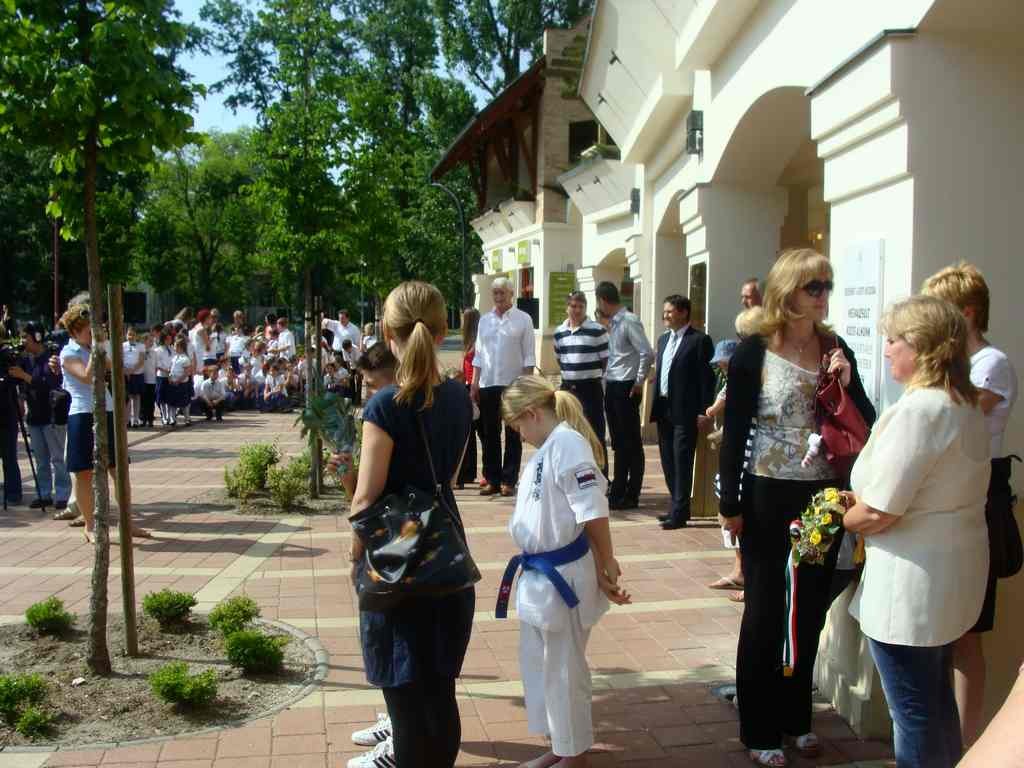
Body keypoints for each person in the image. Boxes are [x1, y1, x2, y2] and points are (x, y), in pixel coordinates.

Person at [718, 249, 874, 767]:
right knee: (765, 609)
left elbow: (865, 419)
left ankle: (795, 717)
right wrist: (729, 502)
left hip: (821, 494)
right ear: (788, 291)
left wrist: (847, 380)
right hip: (766, 491)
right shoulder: (754, 352)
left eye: (827, 285)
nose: (824, 295)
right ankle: (759, 726)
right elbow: (735, 430)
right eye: (815, 286)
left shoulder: (833, 345)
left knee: (807, 606)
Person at [843, 295, 989, 768]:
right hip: (947, 578)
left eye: (893, 341)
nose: (885, 351)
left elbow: (881, 511)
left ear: (921, 347)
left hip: (912, 587)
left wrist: (844, 517)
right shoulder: (962, 403)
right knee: (935, 708)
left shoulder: (922, 409)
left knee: (915, 715)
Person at [344, 281, 473, 768]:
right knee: (441, 695)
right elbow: (451, 477)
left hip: (396, 564)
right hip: (446, 558)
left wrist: (356, 558)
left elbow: (365, 499)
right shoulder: (460, 397)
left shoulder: (383, 406)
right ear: (443, 331)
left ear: (385, 330)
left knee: (404, 699)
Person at [498, 376, 631, 767]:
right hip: (542, 576)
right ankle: (560, 746)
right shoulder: (548, 448)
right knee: (542, 667)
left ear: (533, 414)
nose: (520, 435)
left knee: (565, 669)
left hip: (564, 576)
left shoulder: (568, 445)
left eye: (518, 426)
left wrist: (607, 562)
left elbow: (591, 510)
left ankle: (574, 756)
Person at [922, 262, 1019, 746]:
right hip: (949, 501)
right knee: (943, 629)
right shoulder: (953, 367)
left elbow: (954, 413)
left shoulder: (991, 363)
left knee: (967, 633)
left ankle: (966, 740)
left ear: (967, 313)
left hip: (978, 502)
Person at [58, 305, 147, 542]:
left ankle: (128, 523)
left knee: (119, 471)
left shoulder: (94, 349)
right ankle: (90, 525)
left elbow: (116, 367)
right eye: (88, 331)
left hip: (106, 411)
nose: (92, 335)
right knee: (84, 473)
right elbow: (87, 377)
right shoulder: (68, 353)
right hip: (82, 413)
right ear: (75, 332)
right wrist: (97, 349)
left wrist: (104, 347)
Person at [649, 295, 715, 529]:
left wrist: (704, 410)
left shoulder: (699, 341)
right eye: (664, 311)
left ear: (684, 313)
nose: (665, 315)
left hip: (686, 412)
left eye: (670, 311)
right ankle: (676, 506)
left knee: (681, 460)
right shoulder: (663, 339)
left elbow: (706, 379)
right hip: (664, 407)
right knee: (667, 460)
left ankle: (680, 512)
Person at [472, 277, 536, 497]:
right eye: (495, 293)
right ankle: (492, 478)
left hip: (514, 385)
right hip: (488, 383)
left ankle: (509, 480)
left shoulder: (523, 319)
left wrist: (528, 387)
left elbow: (529, 357)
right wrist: (474, 384)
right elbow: (479, 356)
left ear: (511, 294)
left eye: (502, 293)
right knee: (489, 434)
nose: (498, 297)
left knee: (513, 433)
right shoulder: (484, 321)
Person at [596, 282, 653, 511]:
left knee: (631, 443)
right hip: (612, 384)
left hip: (626, 385)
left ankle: (631, 493)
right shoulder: (613, 323)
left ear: (602, 300)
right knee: (619, 443)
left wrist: (638, 381)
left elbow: (646, 352)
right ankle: (618, 489)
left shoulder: (628, 320)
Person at [9, 322, 70, 512]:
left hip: (51, 415)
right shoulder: (26, 360)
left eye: (25, 337)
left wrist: (24, 376)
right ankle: (44, 493)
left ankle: (62, 494)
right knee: (41, 460)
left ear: (36, 337)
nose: (22, 341)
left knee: (58, 458)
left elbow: (48, 384)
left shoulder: (50, 358)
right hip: (33, 415)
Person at [704, 338, 744, 600]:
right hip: (731, 457)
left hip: (744, 461)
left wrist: (713, 411)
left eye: (723, 362)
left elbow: (716, 407)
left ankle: (746, 575)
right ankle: (740, 570)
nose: (720, 366)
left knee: (737, 517)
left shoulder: (742, 384)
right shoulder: (730, 381)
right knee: (727, 515)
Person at [553, 291, 609, 472]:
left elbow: (606, 360)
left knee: (594, 433)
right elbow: (559, 358)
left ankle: (601, 476)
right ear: (567, 308)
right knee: (568, 433)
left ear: (585, 308)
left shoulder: (597, 330)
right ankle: (573, 474)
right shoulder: (559, 332)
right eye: (573, 306)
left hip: (590, 389)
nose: (577, 310)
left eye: (581, 306)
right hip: (568, 389)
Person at [456, 308, 483, 489]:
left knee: (476, 431)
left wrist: (473, 386)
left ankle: (471, 471)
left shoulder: (477, 341)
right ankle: (468, 471)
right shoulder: (468, 341)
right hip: (468, 385)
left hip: (475, 387)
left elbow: (475, 365)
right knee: (470, 432)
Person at [122, 327, 145, 427]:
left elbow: (141, 360)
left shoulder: (141, 346)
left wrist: (132, 370)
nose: (130, 336)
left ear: (136, 336)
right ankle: (127, 419)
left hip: (137, 374)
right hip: (125, 374)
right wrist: (126, 371)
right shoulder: (122, 346)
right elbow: (120, 359)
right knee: (127, 397)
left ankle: (136, 419)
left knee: (136, 397)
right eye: (129, 334)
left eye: (132, 334)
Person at [141, 325, 160, 428]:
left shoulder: (154, 352)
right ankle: (142, 418)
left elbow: (156, 366)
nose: (152, 342)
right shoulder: (141, 351)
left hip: (152, 380)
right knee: (143, 400)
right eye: (150, 340)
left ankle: (150, 419)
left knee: (150, 400)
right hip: (142, 378)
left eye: (152, 340)